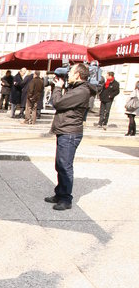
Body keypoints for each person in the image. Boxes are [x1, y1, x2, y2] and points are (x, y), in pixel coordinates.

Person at [44, 62, 92, 211]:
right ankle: (60, 193)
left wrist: (58, 87)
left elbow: (58, 103)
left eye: (71, 72)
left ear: (78, 74)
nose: (68, 74)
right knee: (60, 164)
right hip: (65, 130)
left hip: (70, 132)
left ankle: (66, 199)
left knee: (65, 166)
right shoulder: (76, 89)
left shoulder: (81, 91)